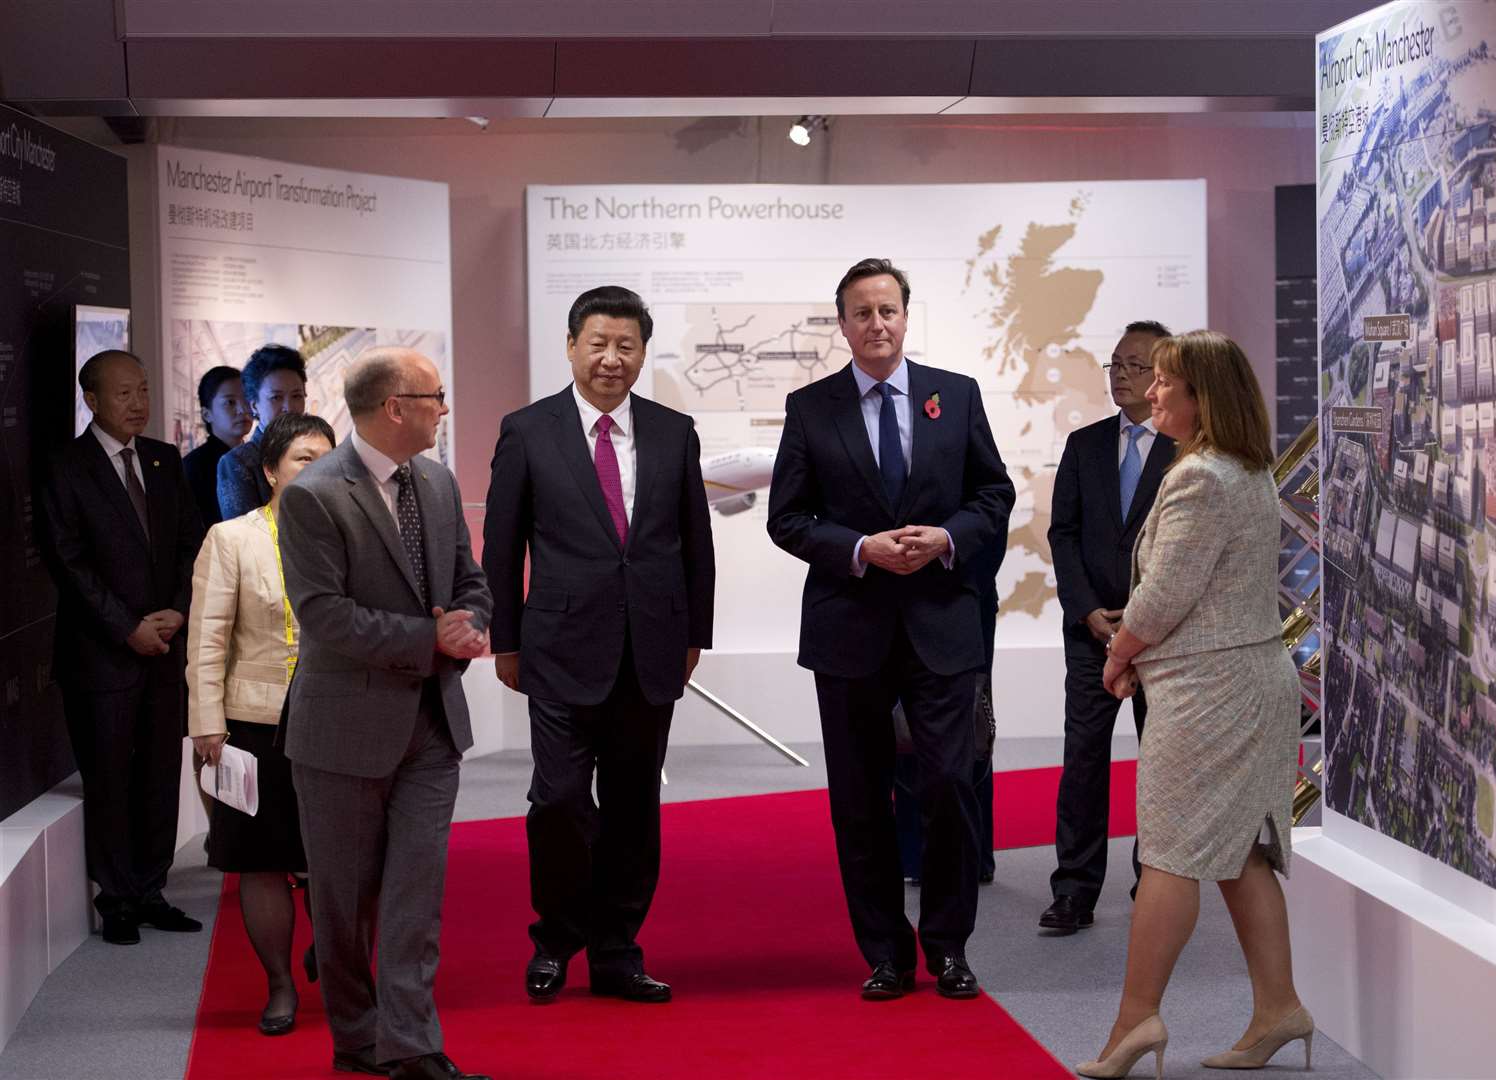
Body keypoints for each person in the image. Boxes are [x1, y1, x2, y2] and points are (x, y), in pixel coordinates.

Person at [767, 258, 1014, 1001]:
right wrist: (857, 549)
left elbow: (993, 493)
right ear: (842, 325)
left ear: (907, 317)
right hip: (851, 629)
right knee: (860, 798)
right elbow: (787, 517)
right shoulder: (812, 408)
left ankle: (948, 948)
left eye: (889, 311)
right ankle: (885, 953)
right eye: (862, 313)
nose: (877, 324)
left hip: (943, 622)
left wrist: (945, 538)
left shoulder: (956, 395)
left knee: (946, 784)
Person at [1074, 330, 1311, 1079]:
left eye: (1167, 384)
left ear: (1204, 396)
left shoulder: (1202, 477)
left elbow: (1165, 594)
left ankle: (1136, 1021)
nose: (1152, 393)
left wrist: (1118, 655)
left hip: (1213, 696)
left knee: (1170, 854)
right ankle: (1279, 1008)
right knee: (1242, 851)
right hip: (1240, 684)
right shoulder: (1243, 470)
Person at [484, 286, 715, 1007]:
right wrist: (506, 640)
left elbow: (694, 544)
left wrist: (694, 633)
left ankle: (618, 949)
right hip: (555, 648)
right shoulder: (528, 430)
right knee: (555, 801)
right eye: (599, 343)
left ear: (643, 353)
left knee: (633, 806)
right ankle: (555, 939)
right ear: (571, 345)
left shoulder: (675, 431)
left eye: (627, 346)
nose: (612, 359)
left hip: (649, 650)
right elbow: (501, 543)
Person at [277, 348, 492, 1080]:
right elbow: (323, 615)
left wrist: (470, 622)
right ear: (395, 406)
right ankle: (356, 1037)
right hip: (341, 734)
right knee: (343, 904)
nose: (445, 407)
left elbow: (469, 576)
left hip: (432, 725)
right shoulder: (314, 494)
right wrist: (425, 639)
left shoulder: (435, 481)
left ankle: (412, 1046)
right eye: (436, 395)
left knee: (414, 897)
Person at [39, 350, 204, 945]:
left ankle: (152, 888)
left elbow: (191, 543)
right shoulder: (65, 465)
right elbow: (68, 561)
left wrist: (177, 613)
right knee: (110, 778)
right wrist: (127, 626)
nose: (139, 403)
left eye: (143, 390)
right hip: (101, 654)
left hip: (165, 645)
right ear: (91, 400)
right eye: (124, 394)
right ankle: (117, 900)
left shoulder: (163, 459)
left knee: (160, 774)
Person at [189, 412, 336, 1036]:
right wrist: (206, 723)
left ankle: (336, 956)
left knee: (343, 859)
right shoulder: (233, 539)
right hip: (255, 723)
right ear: (271, 470)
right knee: (261, 861)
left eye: (329, 458)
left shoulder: (353, 534)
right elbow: (206, 641)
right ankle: (279, 985)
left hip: (340, 720)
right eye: (304, 458)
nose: (319, 469)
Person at [1042, 321, 1175, 934]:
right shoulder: (1084, 444)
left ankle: (1155, 879)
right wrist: (1085, 609)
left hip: (1165, 638)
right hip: (1091, 633)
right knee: (1084, 760)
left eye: (1135, 364)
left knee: (1162, 762)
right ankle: (1073, 890)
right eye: (1114, 364)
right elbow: (1062, 535)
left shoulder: (1187, 451)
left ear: (1163, 376)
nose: (1121, 374)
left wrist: (1145, 616)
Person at [894, 531, 1004, 886]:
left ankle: (972, 854)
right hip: (891, 598)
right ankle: (916, 855)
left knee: (968, 728)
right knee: (902, 728)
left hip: (963, 597)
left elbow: (991, 519)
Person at [218, 344, 308, 520]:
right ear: (254, 405)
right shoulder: (239, 462)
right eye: (276, 397)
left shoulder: (318, 454)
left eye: (296, 396)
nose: (289, 407)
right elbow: (244, 536)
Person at [183, 365, 252, 528]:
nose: (243, 410)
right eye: (230, 402)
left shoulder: (255, 456)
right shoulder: (195, 467)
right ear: (207, 414)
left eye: (247, 399)